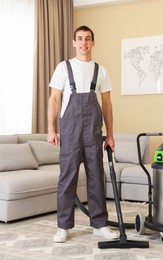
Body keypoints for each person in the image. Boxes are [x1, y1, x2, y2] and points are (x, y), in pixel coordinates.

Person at [47, 25, 118, 243]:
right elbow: (54, 99)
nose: (83, 43)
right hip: (69, 131)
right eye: (79, 39)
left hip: (93, 132)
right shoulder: (63, 67)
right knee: (67, 177)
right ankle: (63, 227)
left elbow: (107, 105)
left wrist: (111, 134)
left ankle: (99, 224)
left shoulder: (101, 70)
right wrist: (51, 129)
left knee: (96, 176)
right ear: (74, 42)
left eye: (87, 39)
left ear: (93, 42)